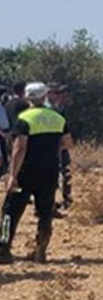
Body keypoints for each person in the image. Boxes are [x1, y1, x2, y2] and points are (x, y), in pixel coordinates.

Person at [1, 83, 72, 264]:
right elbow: (68, 143)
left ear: (27, 97)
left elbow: (20, 148)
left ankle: (3, 249)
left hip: (25, 172)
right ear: (45, 96)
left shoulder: (24, 118)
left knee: (10, 211)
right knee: (45, 212)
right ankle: (41, 250)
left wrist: (12, 175)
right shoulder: (57, 118)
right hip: (49, 172)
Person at [46, 84, 74, 212]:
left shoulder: (59, 108)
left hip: (60, 146)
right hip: (52, 147)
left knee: (65, 172)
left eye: (59, 93)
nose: (58, 95)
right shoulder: (48, 110)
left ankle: (64, 199)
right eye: (55, 93)